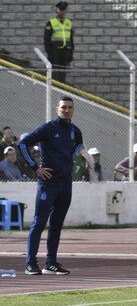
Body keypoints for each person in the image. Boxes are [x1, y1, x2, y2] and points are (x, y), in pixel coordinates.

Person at [18, 96, 83, 275]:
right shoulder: (48, 128)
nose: (67, 110)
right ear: (57, 109)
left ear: (73, 110)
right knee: (39, 222)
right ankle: (30, 263)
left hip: (65, 183)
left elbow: (79, 148)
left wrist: (87, 161)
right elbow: (23, 144)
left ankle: (51, 263)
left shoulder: (74, 131)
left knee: (57, 224)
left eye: (70, 107)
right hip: (48, 183)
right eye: (63, 107)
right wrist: (35, 168)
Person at [44, 1, 74, 83]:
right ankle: (54, 91)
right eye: (60, 9)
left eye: (64, 9)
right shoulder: (51, 22)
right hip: (55, 52)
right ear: (57, 10)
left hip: (65, 51)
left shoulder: (69, 22)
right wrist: (50, 54)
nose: (62, 11)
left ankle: (61, 91)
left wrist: (71, 55)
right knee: (55, 73)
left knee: (63, 73)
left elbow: (71, 40)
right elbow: (46, 40)